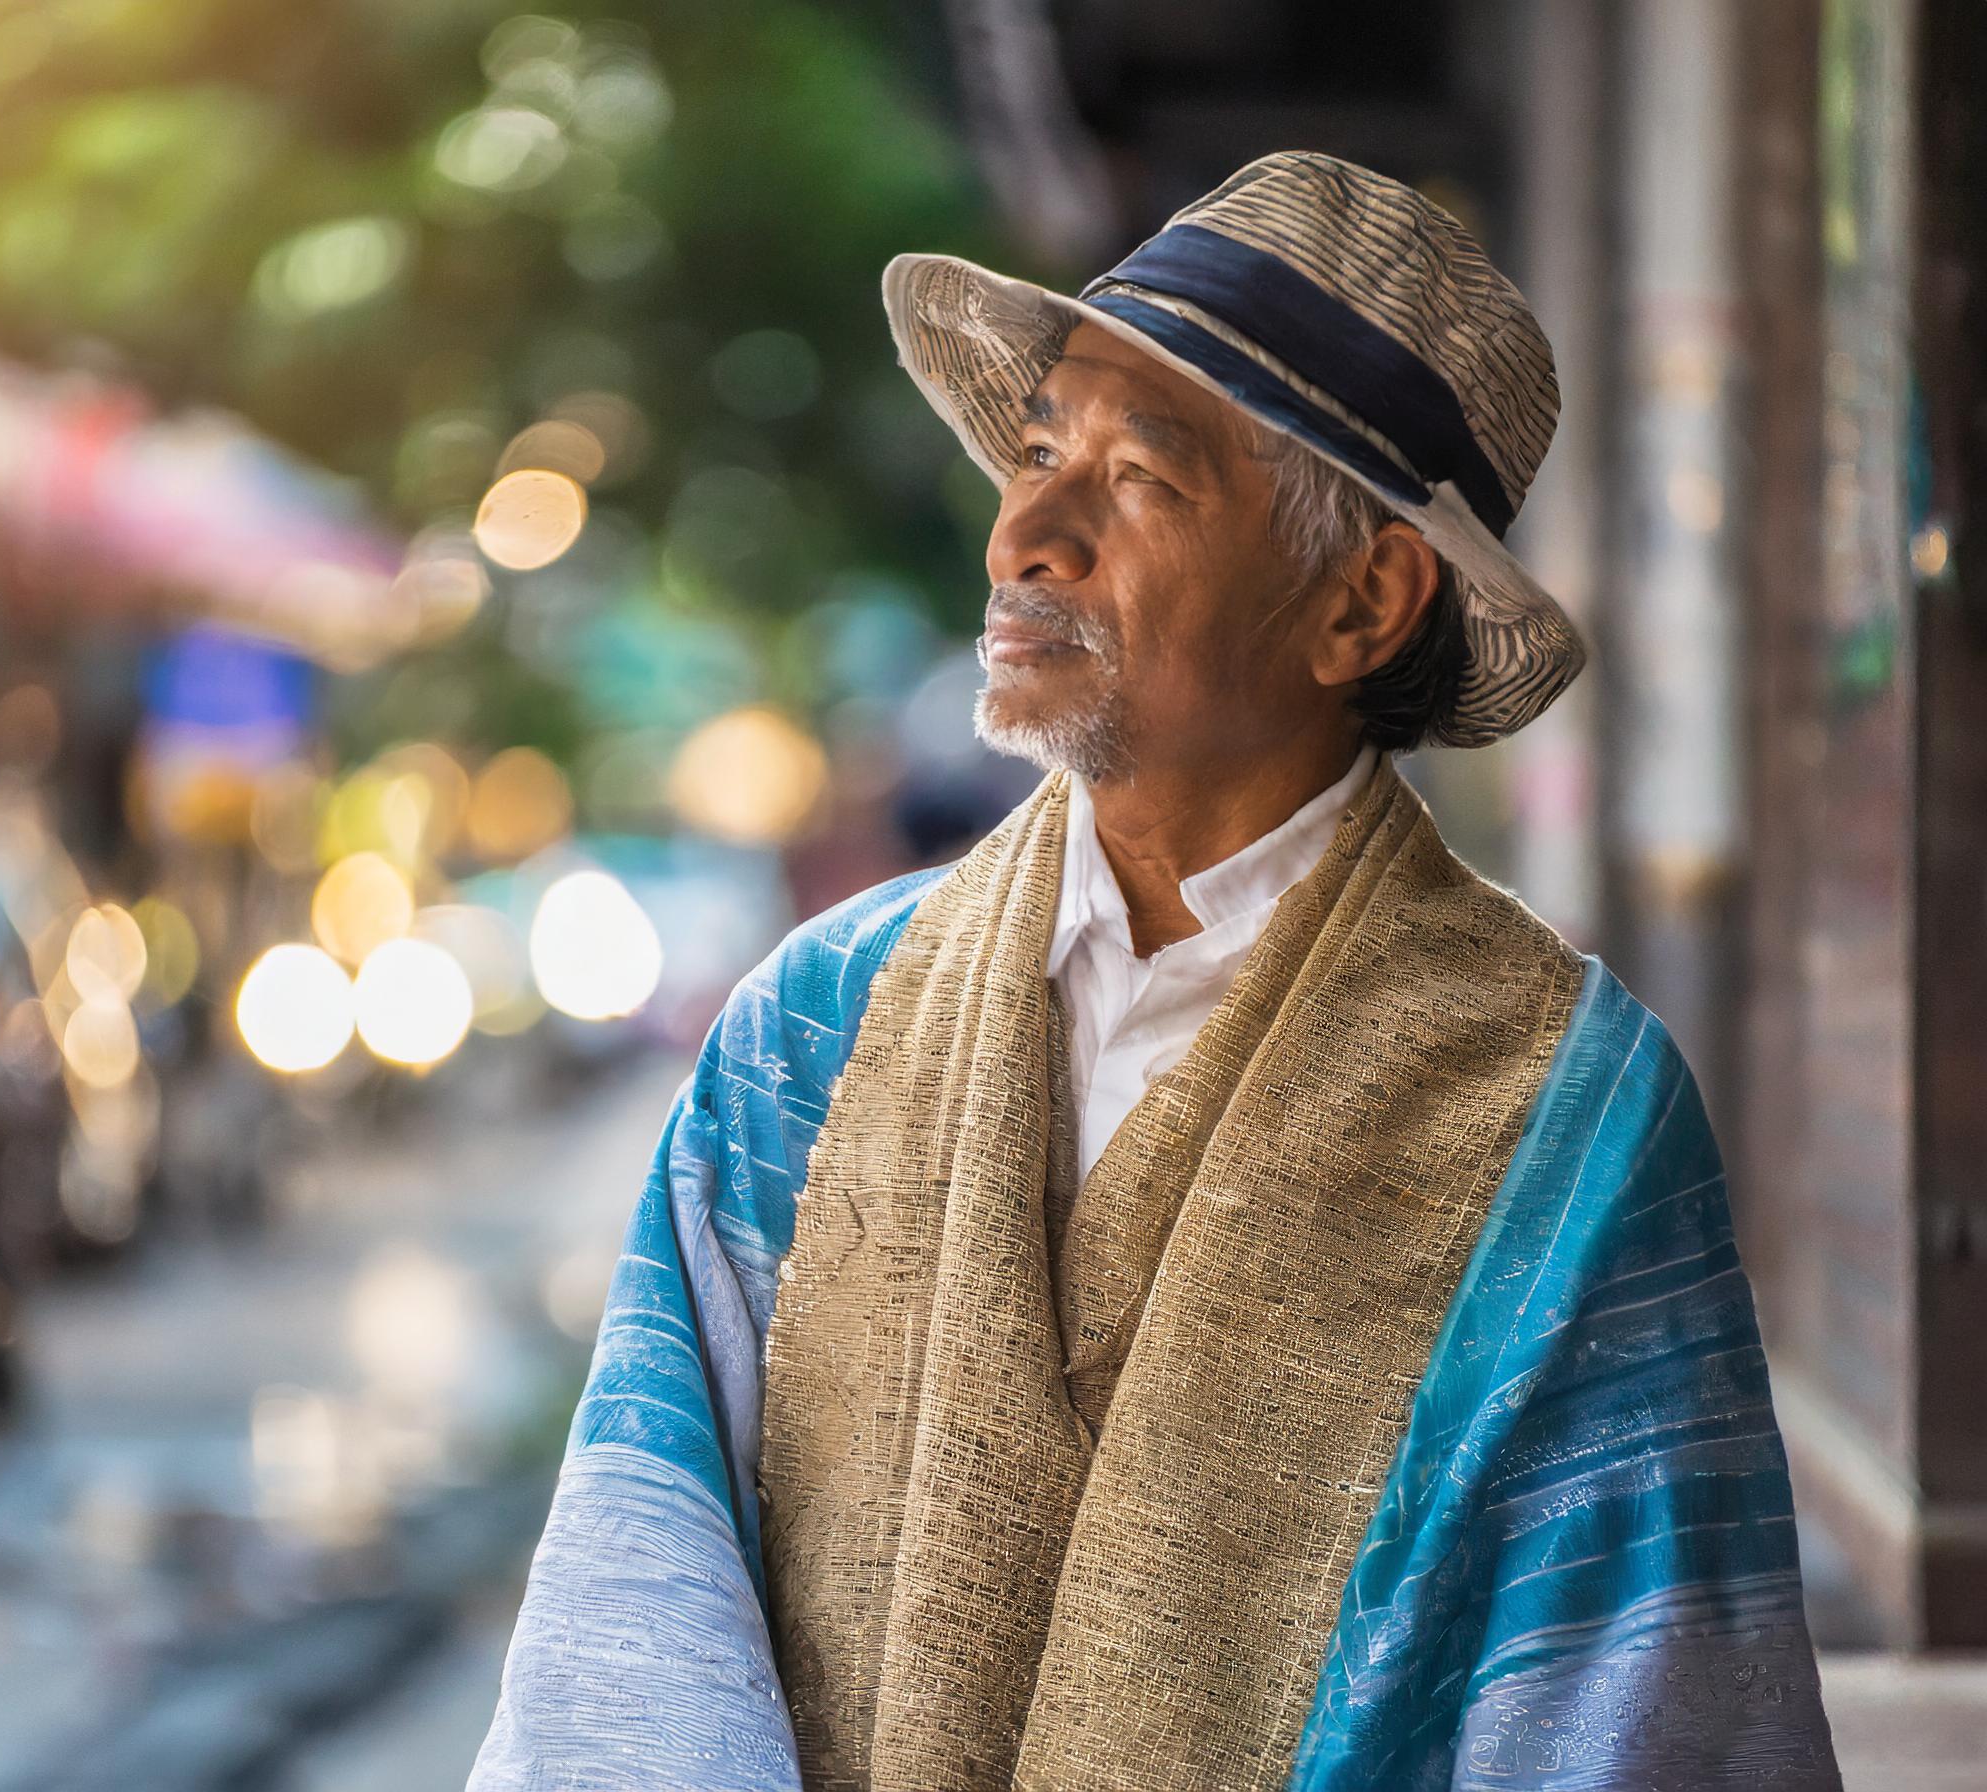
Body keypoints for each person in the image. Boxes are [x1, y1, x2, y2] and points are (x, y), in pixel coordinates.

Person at [472, 152, 1841, 1789]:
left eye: (1136, 478)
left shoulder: (1563, 1119)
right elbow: (631, 1633)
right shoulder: (809, 1028)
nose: (1024, 533)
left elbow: (1625, 1713)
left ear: (1359, 601)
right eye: (1037, 449)